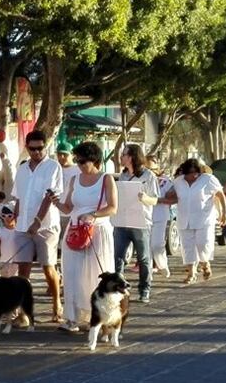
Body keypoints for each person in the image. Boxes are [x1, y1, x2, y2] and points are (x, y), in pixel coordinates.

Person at [51, 141, 117, 333]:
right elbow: (68, 208)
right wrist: (56, 202)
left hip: (97, 231)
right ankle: (72, 318)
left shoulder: (106, 179)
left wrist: (93, 215)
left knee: (99, 275)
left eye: (82, 161)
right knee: (71, 274)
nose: (79, 165)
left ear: (94, 160)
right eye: (77, 161)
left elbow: (113, 207)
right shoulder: (74, 180)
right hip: (75, 230)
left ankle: (102, 318)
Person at [11, 130, 63, 323]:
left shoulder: (53, 167)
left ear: (45, 146)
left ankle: (57, 302)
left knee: (48, 267)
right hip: (23, 225)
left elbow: (50, 196)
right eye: (32, 149)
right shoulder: (22, 169)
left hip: (46, 226)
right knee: (23, 269)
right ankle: (24, 312)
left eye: (40, 148)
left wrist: (38, 221)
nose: (36, 152)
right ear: (27, 148)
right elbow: (18, 197)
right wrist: (14, 218)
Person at [160, 158, 226, 284]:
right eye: (190, 173)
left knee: (203, 244)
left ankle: (205, 263)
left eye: (196, 172)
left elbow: (220, 195)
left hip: (204, 218)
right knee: (187, 247)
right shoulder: (178, 181)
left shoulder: (208, 179)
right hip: (184, 219)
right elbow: (172, 195)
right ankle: (191, 273)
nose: (193, 175)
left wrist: (224, 213)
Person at [113, 144, 159, 304]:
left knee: (143, 257)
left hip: (140, 222)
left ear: (132, 156)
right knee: (118, 257)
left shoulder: (149, 176)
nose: (122, 157)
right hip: (122, 220)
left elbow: (155, 199)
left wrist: (145, 198)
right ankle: (117, 288)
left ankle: (144, 289)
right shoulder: (123, 175)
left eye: (124, 154)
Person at [147, 157, 173, 279]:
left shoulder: (166, 182)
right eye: (147, 169)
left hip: (160, 216)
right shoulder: (141, 180)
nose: (150, 172)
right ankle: (147, 272)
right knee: (146, 246)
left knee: (156, 245)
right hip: (144, 217)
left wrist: (158, 200)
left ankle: (162, 265)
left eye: (152, 169)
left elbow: (174, 198)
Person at [0, 205, 20, 278]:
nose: (6, 218)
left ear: (15, 216)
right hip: (4, 262)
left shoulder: (19, 230)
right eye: (3, 216)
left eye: (9, 216)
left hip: (17, 263)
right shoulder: (0, 230)